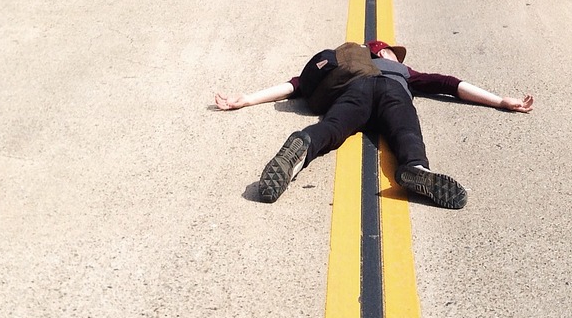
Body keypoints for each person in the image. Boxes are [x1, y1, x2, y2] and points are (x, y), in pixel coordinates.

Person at [214, 40, 533, 209]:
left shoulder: (352, 67)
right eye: (395, 51)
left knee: (331, 129)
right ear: (385, 52)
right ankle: (415, 170)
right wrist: (501, 100)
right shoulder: (404, 72)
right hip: (392, 92)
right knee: (405, 130)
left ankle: (301, 151)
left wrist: (246, 99)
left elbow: (295, 85)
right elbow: (450, 84)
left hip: (355, 91)